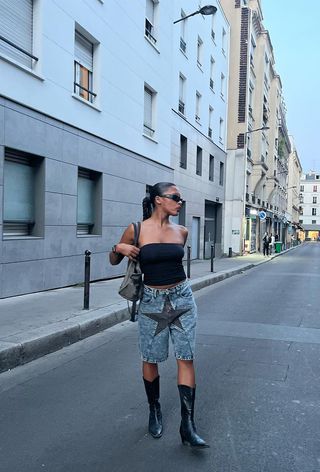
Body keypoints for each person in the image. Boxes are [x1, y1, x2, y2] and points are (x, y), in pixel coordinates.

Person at [109, 182, 209, 448]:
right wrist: (119, 248)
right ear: (158, 200)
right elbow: (113, 261)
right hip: (152, 302)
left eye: (180, 198)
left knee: (186, 357)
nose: (180, 202)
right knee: (150, 357)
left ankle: (188, 424)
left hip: (182, 298)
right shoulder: (137, 229)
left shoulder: (182, 231)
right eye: (175, 197)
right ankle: (154, 409)